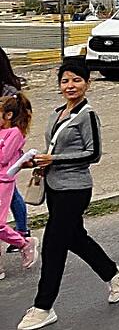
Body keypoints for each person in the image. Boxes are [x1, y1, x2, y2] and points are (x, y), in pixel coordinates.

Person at [19, 59, 119, 330]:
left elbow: (93, 154)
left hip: (76, 189)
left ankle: (43, 306)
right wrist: (37, 161)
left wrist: (53, 159)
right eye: (65, 80)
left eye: (76, 80)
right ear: (59, 85)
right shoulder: (57, 112)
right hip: (55, 188)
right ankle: (114, 274)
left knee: (54, 244)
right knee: (76, 238)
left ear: (87, 83)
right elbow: (54, 151)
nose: (70, 85)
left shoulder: (87, 115)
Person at [0, 93, 37, 281]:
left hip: (3, 182)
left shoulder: (14, 133)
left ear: (7, 115)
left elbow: (4, 157)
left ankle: (24, 243)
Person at [0, 47, 29, 254]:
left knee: (12, 193)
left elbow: (19, 120)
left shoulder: (9, 91)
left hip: (7, 147)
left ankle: (22, 232)